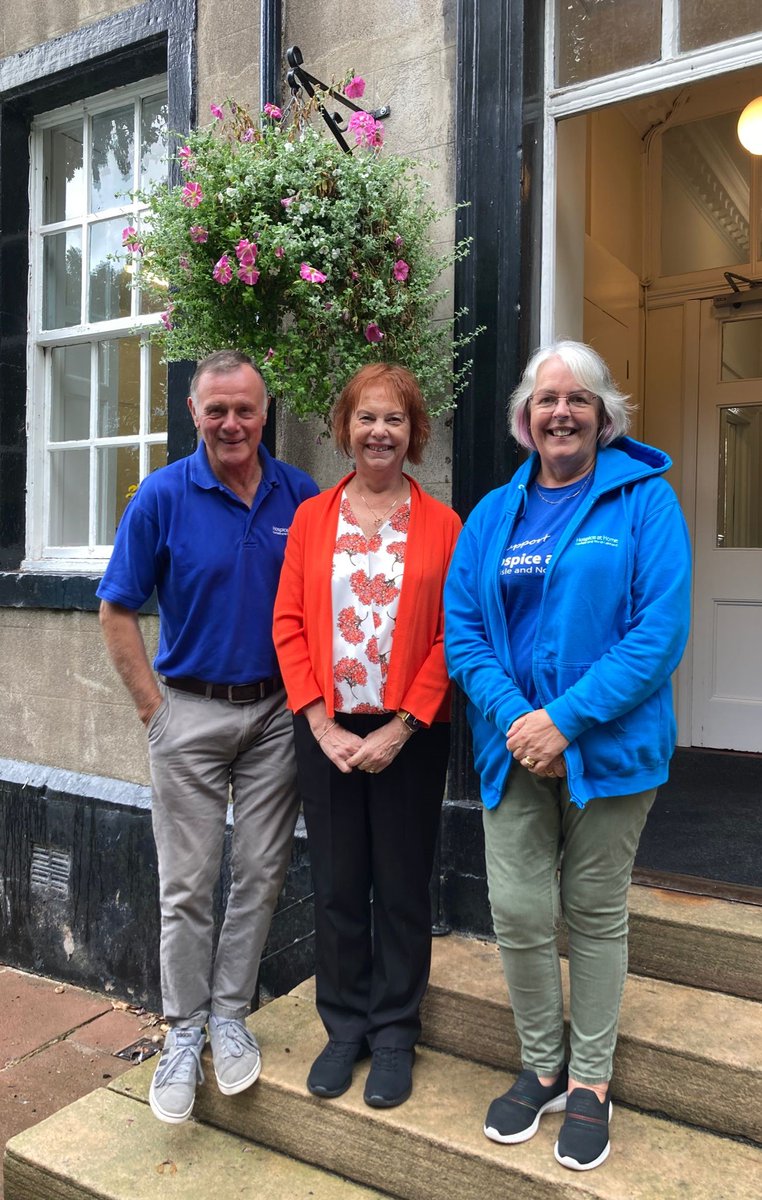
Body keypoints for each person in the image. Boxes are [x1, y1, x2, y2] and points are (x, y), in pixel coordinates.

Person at [444, 340, 691, 1171]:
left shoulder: (646, 505)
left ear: (604, 415)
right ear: (524, 418)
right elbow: (465, 634)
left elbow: (657, 635)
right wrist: (523, 722)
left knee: (593, 912)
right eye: (546, 399)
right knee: (516, 910)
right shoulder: (491, 517)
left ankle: (589, 1081)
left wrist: (567, 721)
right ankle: (542, 1063)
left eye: (578, 399)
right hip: (513, 749)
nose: (561, 412)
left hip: (612, 751)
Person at [97, 350, 318, 1124]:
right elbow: (116, 608)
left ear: (267, 413)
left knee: (260, 874)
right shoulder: (161, 497)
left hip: (275, 716)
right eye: (216, 409)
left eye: (246, 410)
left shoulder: (302, 495)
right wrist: (152, 710)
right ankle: (183, 1032)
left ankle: (230, 1016)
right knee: (187, 887)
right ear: (193, 412)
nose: (232, 423)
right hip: (187, 712)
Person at [273, 362, 461, 1109]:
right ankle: (343, 1025)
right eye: (365, 418)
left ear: (415, 434)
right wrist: (318, 721)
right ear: (343, 430)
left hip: (410, 738)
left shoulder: (444, 525)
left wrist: (403, 725)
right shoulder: (313, 519)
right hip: (327, 734)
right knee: (338, 888)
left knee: (404, 888)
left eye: (395, 420)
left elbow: (455, 635)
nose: (379, 431)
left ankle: (393, 1034)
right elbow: (288, 623)